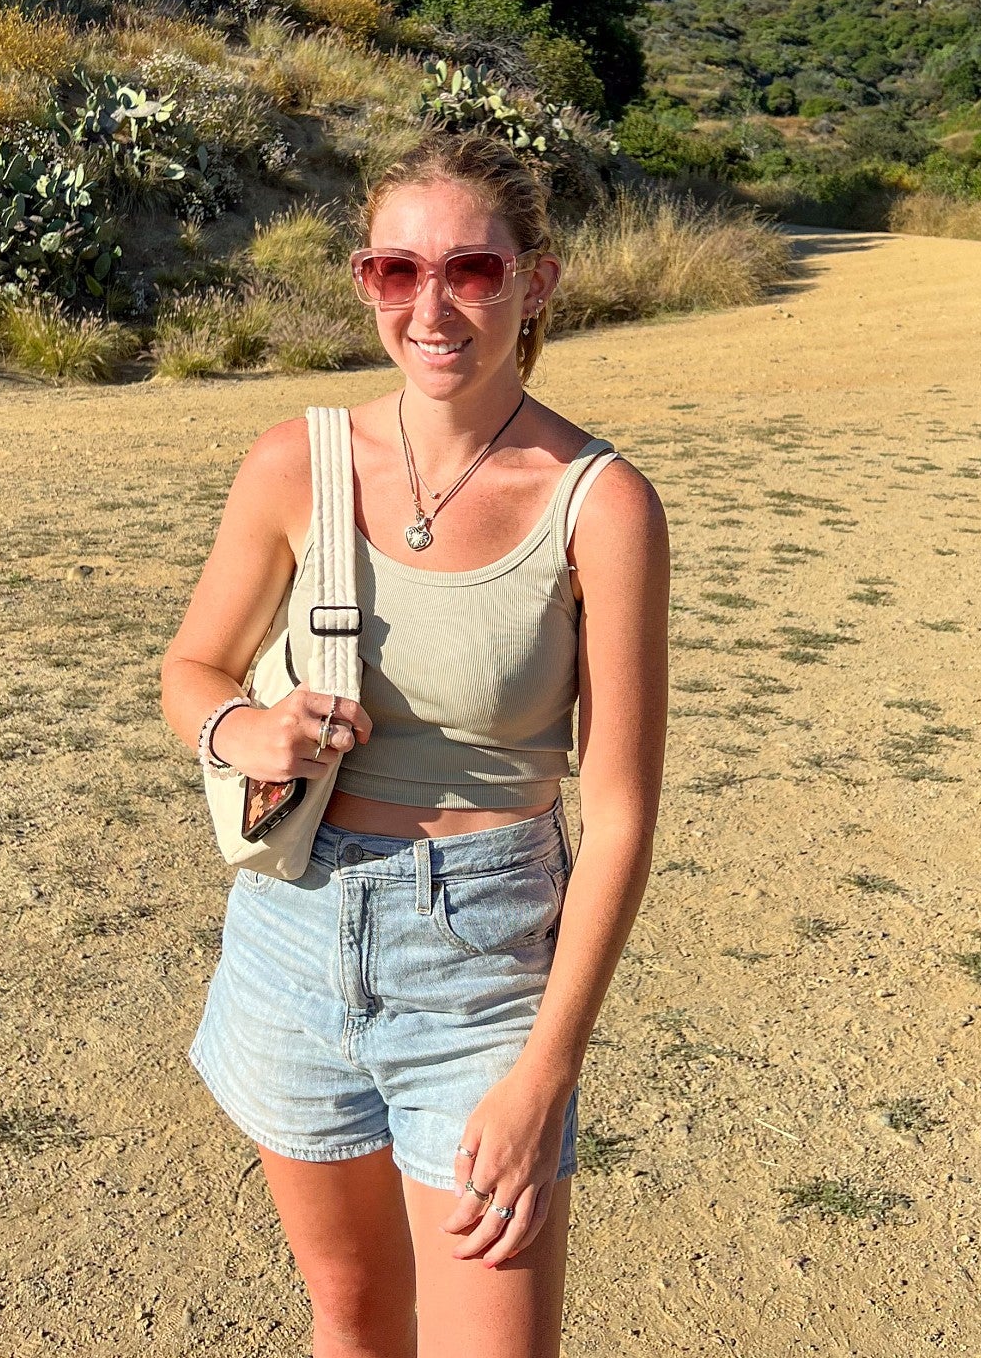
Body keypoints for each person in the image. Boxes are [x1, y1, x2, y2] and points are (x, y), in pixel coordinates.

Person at [161, 131, 670, 1358]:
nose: (431, 308)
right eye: (397, 271)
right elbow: (190, 671)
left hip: (485, 960)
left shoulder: (600, 503)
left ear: (536, 281)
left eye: (473, 272)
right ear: (365, 281)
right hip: (294, 933)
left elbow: (624, 810)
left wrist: (547, 1071)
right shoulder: (296, 463)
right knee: (351, 1314)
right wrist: (248, 725)